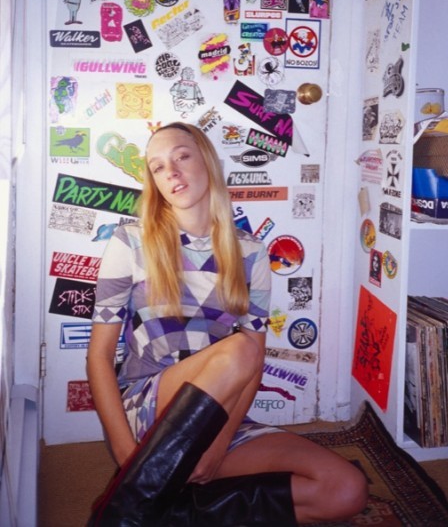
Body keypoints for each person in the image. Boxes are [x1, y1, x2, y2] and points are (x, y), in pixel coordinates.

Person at [86, 122, 368, 525]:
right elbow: (98, 357)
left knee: (345, 489)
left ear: (208, 161)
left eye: (182, 156)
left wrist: (218, 446)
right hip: (149, 403)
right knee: (240, 348)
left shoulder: (252, 252)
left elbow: (251, 369)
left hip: (218, 416)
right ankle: (125, 508)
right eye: (158, 167)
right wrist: (126, 454)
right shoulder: (129, 242)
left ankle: (172, 508)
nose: (172, 173)